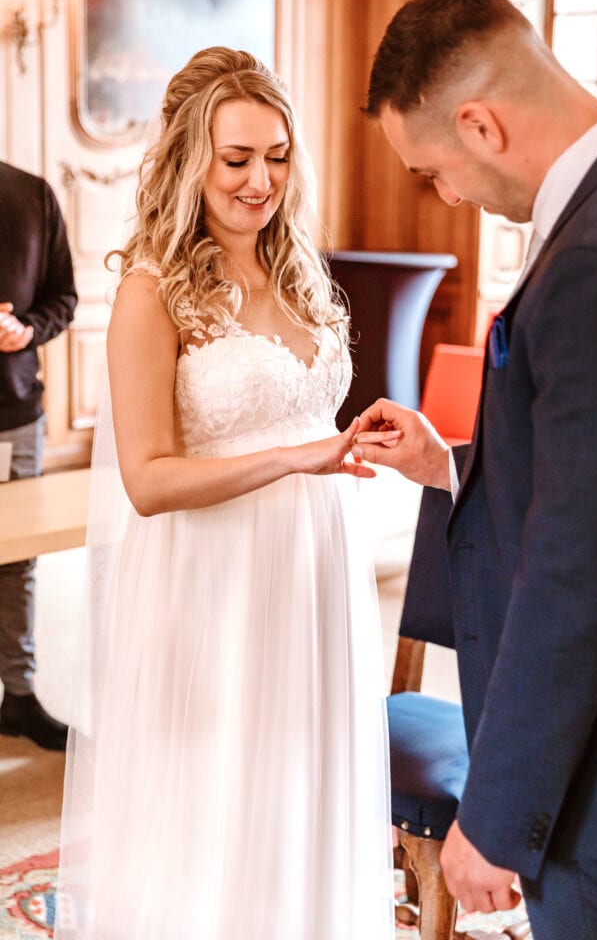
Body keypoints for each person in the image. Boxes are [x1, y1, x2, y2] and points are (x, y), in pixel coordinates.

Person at [353, 0, 597, 939]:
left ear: (481, 125)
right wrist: (453, 468)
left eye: (431, 169)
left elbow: (578, 573)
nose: (446, 194)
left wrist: (496, 818)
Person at [55, 47, 396, 940]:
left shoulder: (300, 276)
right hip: (211, 581)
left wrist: (354, 443)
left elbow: (308, 414)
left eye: (276, 155)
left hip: (312, 575)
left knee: (302, 786)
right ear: (187, 162)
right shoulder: (150, 292)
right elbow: (148, 480)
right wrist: (289, 461)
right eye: (235, 158)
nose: (260, 181)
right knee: (217, 804)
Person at [0, 160, 77, 751]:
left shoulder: (32, 194)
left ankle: (18, 697)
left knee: (16, 561)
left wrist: (27, 329)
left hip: (16, 415)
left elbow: (64, 299)